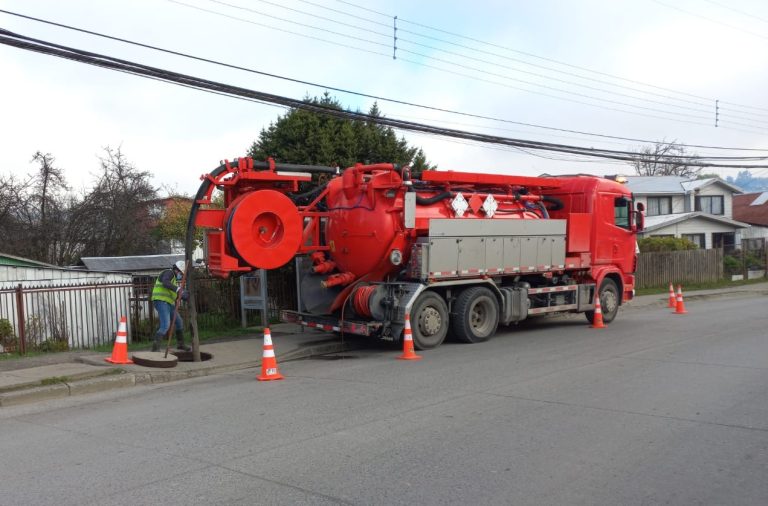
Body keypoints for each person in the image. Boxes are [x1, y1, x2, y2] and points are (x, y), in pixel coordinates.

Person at [150, 260, 190, 352]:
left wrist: (183, 296)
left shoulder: (174, 281)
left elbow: (173, 293)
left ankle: (180, 344)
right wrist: (178, 289)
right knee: (165, 325)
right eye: (181, 273)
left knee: (179, 322)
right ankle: (155, 348)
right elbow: (165, 283)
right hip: (161, 301)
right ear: (177, 270)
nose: (181, 275)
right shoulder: (169, 273)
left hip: (168, 304)